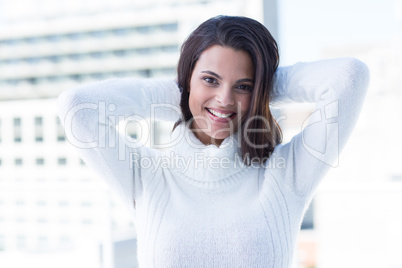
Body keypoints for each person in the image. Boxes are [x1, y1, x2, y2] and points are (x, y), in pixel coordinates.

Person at [58, 15, 369, 267]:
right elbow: (77, 108)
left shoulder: (286, 173)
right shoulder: (148, 174)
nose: (224, 100)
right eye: (210, 79)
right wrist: (183, 95)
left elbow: (349, 77)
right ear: (187, 78)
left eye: (243, 86)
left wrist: (264, 84)